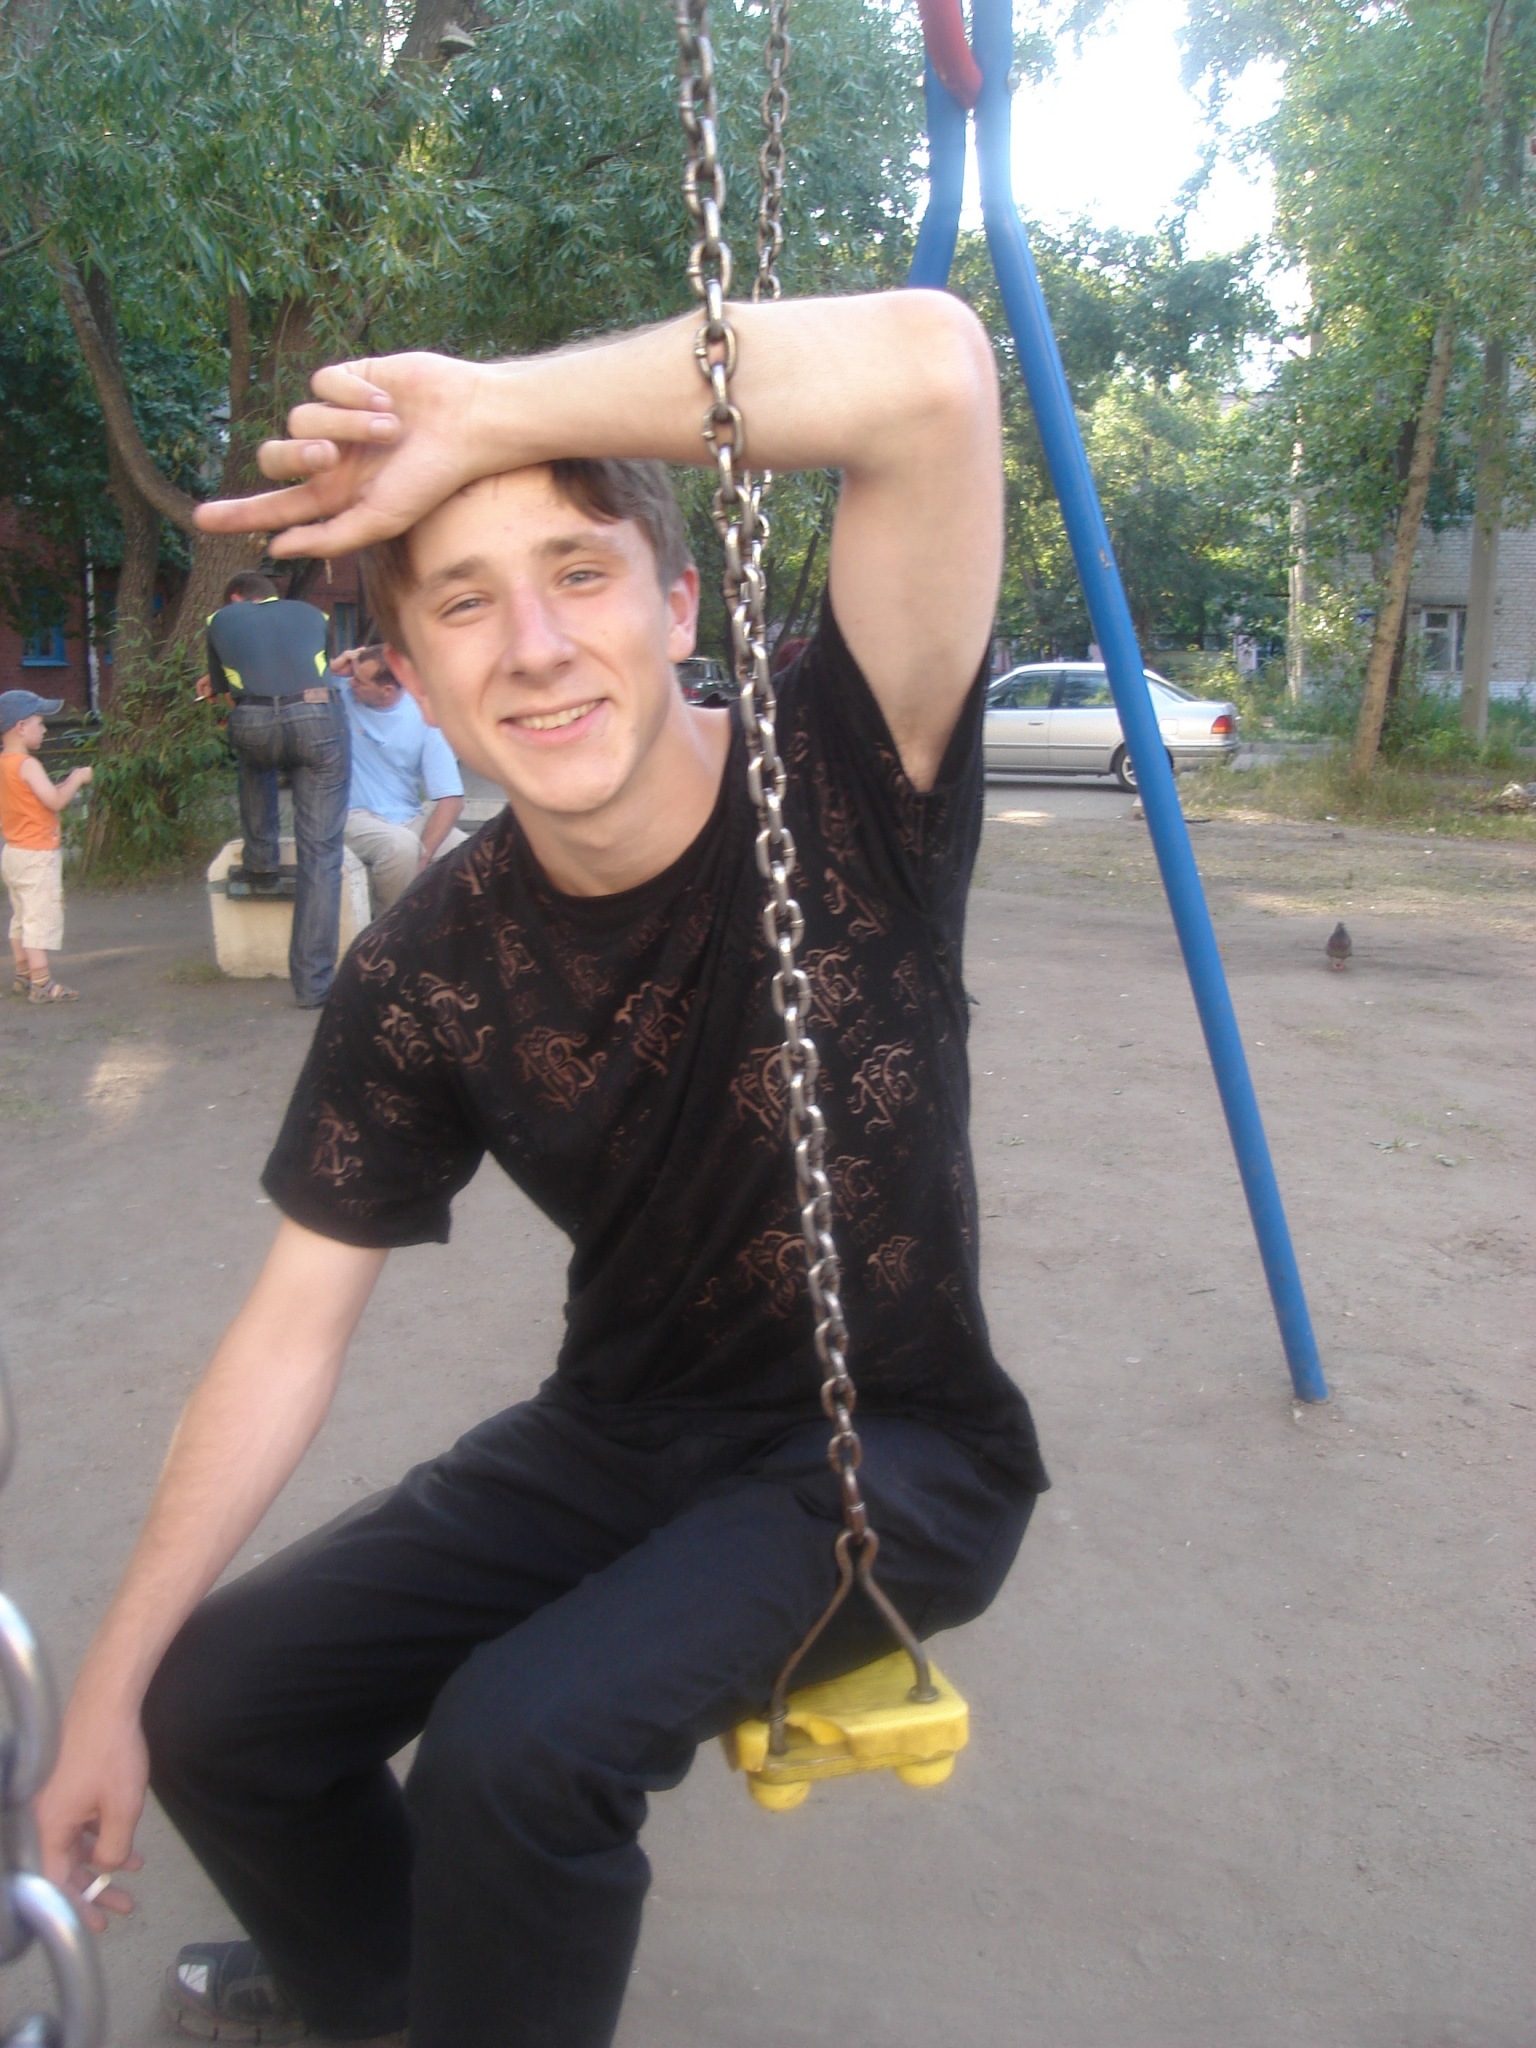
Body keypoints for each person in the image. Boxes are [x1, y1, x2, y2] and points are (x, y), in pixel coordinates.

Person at [35, 291, 1049, 2048]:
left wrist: (485, 412)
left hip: (893, 1448)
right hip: (615, 1433)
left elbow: (933, 376)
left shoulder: (847, 767)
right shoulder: (429, 964)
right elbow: (288, 1331)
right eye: (461, 603)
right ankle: (384, 1992)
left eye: (579, 572)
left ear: (678, 608)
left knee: (519, 1752)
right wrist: (110, 1689)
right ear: (411, 680)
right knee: (219, 1706)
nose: (532, 646)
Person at [204, 572, 351, 1008]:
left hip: (252, 719)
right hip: (317, 717)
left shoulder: (220, 620)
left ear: (236, 599)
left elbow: (222, 691)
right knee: (321, 854)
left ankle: (261, 860)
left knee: (254, 753)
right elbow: (317, 669)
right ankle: (313, 985)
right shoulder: (314, 613)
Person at [334, 642, 467, 915]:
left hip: (407, 817)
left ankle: (453, 933)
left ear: (387, 690)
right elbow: (298, 686)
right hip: (352, 815)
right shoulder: (340, 696)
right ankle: (390, 931)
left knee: (469, 852)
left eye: (360, 681)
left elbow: (451, 800)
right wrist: (337, 667)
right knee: (401, 846)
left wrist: (425, 854)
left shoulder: (423, 717)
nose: (351, 684)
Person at [0, 689, 92, 1004]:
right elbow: (54, 801)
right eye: (40, 723)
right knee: (39, 919)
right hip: (37, 854)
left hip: (13, 852)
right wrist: (76, 778)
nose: (44, 729)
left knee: (21, 917)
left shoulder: (4, 764)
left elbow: (35, 799)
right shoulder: (28, 765)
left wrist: (62, 783)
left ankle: (23, 974)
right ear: (20, 727)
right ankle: (41, 984)